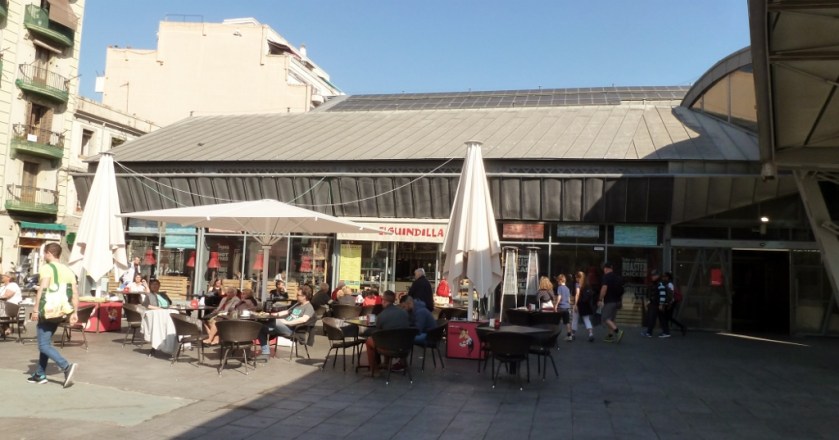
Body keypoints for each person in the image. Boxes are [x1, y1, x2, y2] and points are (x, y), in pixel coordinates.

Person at [28, 242, 78, 387]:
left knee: (43, 345)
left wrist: (36, 309)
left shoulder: (47, 268)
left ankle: (66, 367)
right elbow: (75, 293)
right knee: (46, 342)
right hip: (61, 311)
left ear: (49, 253)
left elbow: (42, 290)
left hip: (48, 310)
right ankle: (40, 374)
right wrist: (74, 312)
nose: (43, 256)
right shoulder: (68, 271)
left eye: (44, 253)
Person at [257, 285, 315, 356]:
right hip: (284, 326)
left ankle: (269, 326)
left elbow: (304, 319)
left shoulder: (309, 307)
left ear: (304, 296)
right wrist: (271, 314)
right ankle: (265, 352)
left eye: (298, 295)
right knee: (260, 328)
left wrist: (288, 322)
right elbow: (286, 312)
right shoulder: (298, 304)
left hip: (292, 330)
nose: (296, 296)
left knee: (273, 321)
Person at [364, 290, 410, 374]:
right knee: (388, 336)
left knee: (370, 341)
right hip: (404, 347)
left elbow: (377, 332)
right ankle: (386, 364)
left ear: (384, 301)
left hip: (390, 347)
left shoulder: (381, 316)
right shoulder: (404, 313)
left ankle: (374, 370)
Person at [597, 262, 625, 343]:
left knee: (605, 318)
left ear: (606, 269)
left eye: (604, 269)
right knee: (611, 319)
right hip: (617, 301)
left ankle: (618, 332)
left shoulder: (606, 277)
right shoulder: (617, 277)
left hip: (609, 301)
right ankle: (610, 336)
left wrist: (600, 299)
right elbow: (622, 290)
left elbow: (604, 288)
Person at [642, 269, 672, 338]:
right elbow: (655, 294)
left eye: (654, 275)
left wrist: (661, 304)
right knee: (661, 318)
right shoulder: (657, 283)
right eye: (652, 275)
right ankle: (666, 332)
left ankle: (649, 332)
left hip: (656, 304)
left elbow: (662, 294)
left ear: (658, 275)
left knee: (652, 318)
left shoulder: (659, 283)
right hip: (656, 303)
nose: (652, 276)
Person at [573, 271, 596, 342]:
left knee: (575, 319)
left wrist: (575, 304)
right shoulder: (587, 284)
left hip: (579, 303)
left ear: (578, 277)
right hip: (585, 304)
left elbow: (577, 294)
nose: (576, 279)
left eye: (576, 277)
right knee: (587, 319)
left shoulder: (577, 284)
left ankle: (572, 334)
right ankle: (591, 334)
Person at [1, 271, 23, 335]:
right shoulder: (3, 287)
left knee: (1, 305)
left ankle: (6, 327)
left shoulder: (13, 285)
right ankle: (6, 328)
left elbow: (6, 296)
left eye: (4, 275)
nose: (2, 276)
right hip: (4, 307)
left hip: (12, 307)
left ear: (9, 278)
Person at [554, 274, 573, 341]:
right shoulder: (567, 288)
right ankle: (569, 336)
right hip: (566, 307)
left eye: (558, 281)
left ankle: (554, 335)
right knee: (567, 322)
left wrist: (556, 305)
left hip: (561, 307)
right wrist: (569, 304)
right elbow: (569, 299)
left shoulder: (560, 288)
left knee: (556, 321)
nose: (557, 282)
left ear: (560, 280)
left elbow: (559, 297)